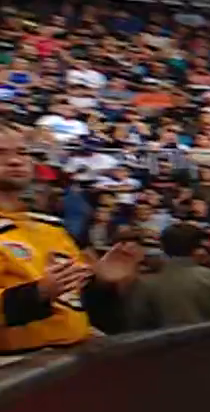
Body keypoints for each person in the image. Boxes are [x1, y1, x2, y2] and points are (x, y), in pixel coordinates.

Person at [0, 124, 141, 354]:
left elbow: (73, 301)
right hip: (16, 364)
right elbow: (43, 293)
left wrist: (101, 281)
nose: (15, 161)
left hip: (70, 355)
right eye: (1, 153)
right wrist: (38, 293)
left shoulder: (50, 227)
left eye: (22, 152)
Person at [122, 223, 210, 330]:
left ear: (162, 246)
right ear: (197, 248)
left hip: (168, 351)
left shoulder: (146, 284)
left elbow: (136, 327)